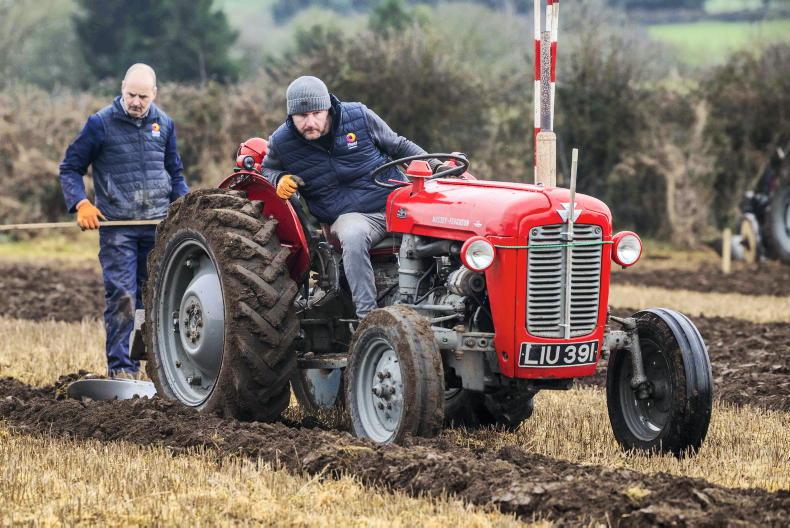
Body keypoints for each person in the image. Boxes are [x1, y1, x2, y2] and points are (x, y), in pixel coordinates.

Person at [262, 76, 445, 318]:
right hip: (350, 217)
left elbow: (398, 146)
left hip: (395, 202)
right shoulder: (282, 141)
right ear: (291, 116)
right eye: (302, 116)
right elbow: (269, 168)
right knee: (353, 234)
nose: (310, 122)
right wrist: (279, 179)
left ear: (328, 108)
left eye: (317, 113)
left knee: (448, 222)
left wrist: (435, 165)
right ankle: (368, 318)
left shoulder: (358, 116)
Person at [59, 63, 188, 378]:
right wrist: (81, 203)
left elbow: (175, 173)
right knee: (122, 296)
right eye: (131, 94)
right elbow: (70, 168)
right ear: (122, 89)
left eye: (143, 96)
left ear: (154, 94)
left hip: (158, 228)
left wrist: (185, 208)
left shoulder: (165, 125)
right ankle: (122, 370)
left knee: (157, 299)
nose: (136, 102)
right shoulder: (100, 124)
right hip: (118, 229)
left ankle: (159, 372)